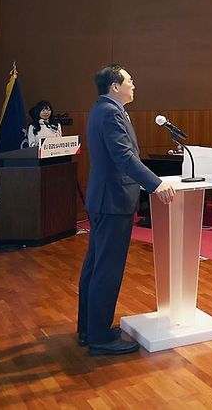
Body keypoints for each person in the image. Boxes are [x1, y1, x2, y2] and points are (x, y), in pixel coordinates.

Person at [78, 64, 176, 356]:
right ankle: (99, 337)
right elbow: (124, 156)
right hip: (112, 200)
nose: (134, 85)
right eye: (129, 81)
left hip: (104, 199)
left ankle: (89, 328)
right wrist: (155, 184)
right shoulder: (110, 113)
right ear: (115, 86)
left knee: (95, 266)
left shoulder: (103, 109)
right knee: (107, 269)